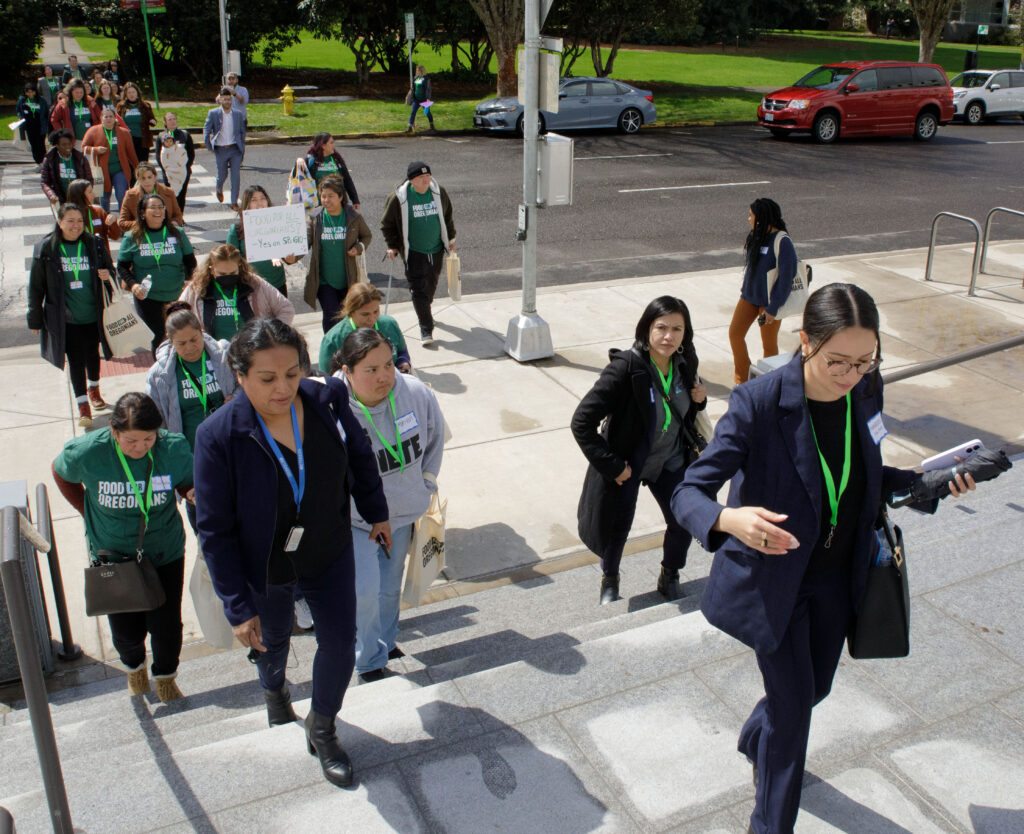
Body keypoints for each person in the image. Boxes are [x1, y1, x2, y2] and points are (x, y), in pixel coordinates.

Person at [672, 282, 1009, 834]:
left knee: (815, 690)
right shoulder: (758, 404)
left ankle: (755, 736)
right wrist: (731, 520)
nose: (850, 375)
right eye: (838, 361)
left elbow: (871, 479)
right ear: (805, 341)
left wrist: (936, 482)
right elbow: (689, 490)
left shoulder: (866, 391)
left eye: (864, 361)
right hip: (774, 584)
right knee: (795, 711)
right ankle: (769, 822)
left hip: (836, 579)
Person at [193, 318, 389, 788]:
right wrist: (237, 607)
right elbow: (214, 530)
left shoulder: (327, 399)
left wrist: (375, 509)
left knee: (340, 642)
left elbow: (359, 453)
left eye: (292, 374)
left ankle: (322, 726)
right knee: (271, 640)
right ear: (239, 376)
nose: (284, 388)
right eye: (267, 379)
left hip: (327, 547)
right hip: (265, 564)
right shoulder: (218, 435)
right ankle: (274, 690)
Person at [52, 392, 194, 702]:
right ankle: (134, 668)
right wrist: (85, 510)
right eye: (130, 441)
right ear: (113, 432)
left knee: (167, 624)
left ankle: (166, 677)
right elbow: (60, 473)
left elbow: (184, 479)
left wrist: (190, 490)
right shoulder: (88, 452)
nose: (140, 448)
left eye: (148, 439)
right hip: (113, 555)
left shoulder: (174, 448)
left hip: (163, 550)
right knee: (126, 631)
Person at [571, 296, 707, 605]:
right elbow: (581, 422)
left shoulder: (686, 361)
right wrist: (613, 465)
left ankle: (670, 573)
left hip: (670, 458)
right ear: (646, 329)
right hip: (629, 461)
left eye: (677, 329)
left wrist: (700, 398)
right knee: (618, 526)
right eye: (661, 327)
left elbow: (686, 409)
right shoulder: (625, 368)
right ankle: (610, 578)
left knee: (682, 518)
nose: (668, 336)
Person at [332, 328, 443, 681]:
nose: (383, 376)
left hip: (402, 514)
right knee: (364, 590)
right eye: (371, 370)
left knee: (389, 587)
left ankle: (386, 640)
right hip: (356, 520)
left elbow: (437, 436)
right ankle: (368, 661)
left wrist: (425, 482)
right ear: (347, 371)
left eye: (388, 366)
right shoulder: (330, 411)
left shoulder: (414, 393)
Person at [145, 302, 236, 531]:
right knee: (203, 520)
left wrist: (236, 396)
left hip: (229, 446)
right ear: (170, 340)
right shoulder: (160, 374)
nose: (190, 347)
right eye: (181, 343)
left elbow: (247, 385)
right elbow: (157, 420)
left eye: (194, 339)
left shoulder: (224, 356)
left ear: (201, 331)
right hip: (192, 455)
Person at [27, 203, 114, 427]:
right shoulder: (47, 248)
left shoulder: (93, 244)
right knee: (76, 359)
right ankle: (82, 403)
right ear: (59, 222)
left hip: (94, 313)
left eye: (79, 221)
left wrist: (107, 275)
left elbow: (110, 271)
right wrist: (35, 317)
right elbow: (36, 287)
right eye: (70, 221)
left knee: (93, 354)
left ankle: (94, 388)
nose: (75, 226)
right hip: (67, 318)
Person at [381, 161, 456, 345]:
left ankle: (425, 311)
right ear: (412, 180)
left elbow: (447, 215)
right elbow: (387, 224)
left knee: (430, 284)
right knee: (418, 289)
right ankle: (426, 328)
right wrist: (392, 245)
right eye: (422, 178)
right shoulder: (399, 198)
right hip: (414, 251)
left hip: (437, 248)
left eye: (428, 177)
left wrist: (451, 238)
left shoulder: (439, 192)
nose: (426, 181)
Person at [117, 193, 196, 353]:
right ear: (142, 213)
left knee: (180, 336)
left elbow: (190, 261)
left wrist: (189, 280)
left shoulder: (177, 233)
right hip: (148, 299)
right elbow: (122, 267)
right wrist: (133, 286)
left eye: (161, 207)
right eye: (153, 207)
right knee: (158, 339)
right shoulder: (133, 237)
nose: (158, 211)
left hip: (176, 297)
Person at [729, 197, 796, 385]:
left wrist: (773, 308)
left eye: (751, 215)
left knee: (769, 345)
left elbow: (786, 279)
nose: (748, 219)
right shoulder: (757, 236)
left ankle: (768, 382)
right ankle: (742, 378)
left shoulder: (783, 242)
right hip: (749, 298)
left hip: (768, 304)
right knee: (735, 334)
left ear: (762, 217)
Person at [178, 243, 295, 341]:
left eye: (233, 273)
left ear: (239, 267)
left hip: (250, 353)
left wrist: (272, 335)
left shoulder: (254, 283)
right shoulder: (197, 287)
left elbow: (286, 308)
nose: (228, 277)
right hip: (214, 354)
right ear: (211, 269)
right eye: (222, 274)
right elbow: (177, 314)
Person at [304, 176, 372, 333]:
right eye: (323, 196)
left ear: (341, 197)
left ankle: (345, 347)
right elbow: (305, 242)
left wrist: (359, 247)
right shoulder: (315, 218)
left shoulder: (353, 217)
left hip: (348, 280)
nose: (326, 200)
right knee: (331, 315)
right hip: (324, 280)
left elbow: (367, 236)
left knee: (346, 315)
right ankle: (332, 347)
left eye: (331, 196)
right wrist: (290, 256)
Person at [319, 284, 411, 374]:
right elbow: (326, 379)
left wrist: (403, 362)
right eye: (365, 314)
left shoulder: (389, 324)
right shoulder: (333, 340)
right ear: (351, 312)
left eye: (376, 311)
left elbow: (402, 351)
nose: (372, 319)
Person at [227, 185, 297, 296]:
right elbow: (230, 262)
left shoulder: (279, 225)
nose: (260, 203)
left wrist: (290, 259)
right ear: (246, 205)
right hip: (250, 287)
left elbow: (287, 256)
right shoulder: (236, 230)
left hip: (277, 285)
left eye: (262, 199)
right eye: (254, 200)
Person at [82, 107, 137, 213]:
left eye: (111, 116)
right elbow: (84, 147)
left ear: (115, 118)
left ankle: (123, 221)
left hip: (119, 169)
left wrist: (137, 167)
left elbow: (131, 152)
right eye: (105, 116)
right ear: (101, 118)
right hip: (101, 171)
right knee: (104, 197)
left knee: (122, 195)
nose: (108, 119)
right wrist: (96, 149)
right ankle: (105, 220)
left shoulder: (124, 132)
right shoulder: (93, 131)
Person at [203, 87, 246, 211]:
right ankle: (219, 187)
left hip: (235, 149)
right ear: (220, 100)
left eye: (229, 99)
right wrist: (208, 145)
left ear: (231, 100)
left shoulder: (237, 114)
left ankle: (234, 201)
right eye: (224, 99)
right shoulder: (213, 113)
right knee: (222, 174)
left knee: (235, 176)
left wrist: (242, 146)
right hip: (220, 149)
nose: (227, 102)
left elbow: (242, 131)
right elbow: (206, 129)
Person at [118, 161, 184, 231]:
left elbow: (178, 216)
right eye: (143, 178)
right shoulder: (130, 195)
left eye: (149, 177)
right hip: (142, 235)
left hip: (164, 233)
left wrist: (173, 223)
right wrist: (144, 224)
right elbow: (122, 223)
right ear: (138, 179)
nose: (147, 181)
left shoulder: (168, 192)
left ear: (155, 176)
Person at [66, 178, 121, 257]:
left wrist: (113, 222)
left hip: (100, 260)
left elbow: (115, 236)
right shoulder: (67, 216)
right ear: (80, 195)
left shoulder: (98, 212)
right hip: (79, 261)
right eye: (90, 192)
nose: (94, 195)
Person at [304, 133, 359, 207]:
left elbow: (347, 180)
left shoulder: (337, 160)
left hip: (338, 205)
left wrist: (355, 200)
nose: (334, 145)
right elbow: (299, 179)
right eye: (331, 143)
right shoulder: (311, 161)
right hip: (318, 206)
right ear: (323, 145)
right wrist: (298, 161)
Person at [41, 129, 92, 207]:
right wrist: (51, 195)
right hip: (60, 197)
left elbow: (89, 178)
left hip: (79, 197)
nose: (68, 147)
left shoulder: (80, 158)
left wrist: (86, 193)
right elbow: (44, 182)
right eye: (64, 145)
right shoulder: (49, 159)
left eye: (69, 144)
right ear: (57, 146)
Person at [157, 112, 196, 211]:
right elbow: (158, 156)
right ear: (165, 122)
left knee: (181, 195)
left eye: (174, 119)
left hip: (182, 172)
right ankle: (171, 217)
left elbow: (191, 154)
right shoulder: (161, 136)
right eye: (169, 119)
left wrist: (185, 167)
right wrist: (165, 169)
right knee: (170, 196)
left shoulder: (184, 135)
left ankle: (179, 217)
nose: (172, 121)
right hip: (169, 173)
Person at [116, 83, 157, 166]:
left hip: (142, 139)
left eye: (133, 92)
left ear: (137, 93)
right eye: (129, 93)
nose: (132, 95)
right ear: (125, 94)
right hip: (128, 139)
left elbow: (152, 118)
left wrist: (152, 121)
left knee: (142, 164)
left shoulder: (145, 105)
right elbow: (118, 120)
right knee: (130, 163)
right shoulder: (121, 106)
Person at [49, 80, 100, 146]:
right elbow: (54, 119)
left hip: (91, 139)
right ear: (71, 92)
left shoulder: (90, 101)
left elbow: (100, 116)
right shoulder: (63, 104)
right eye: (76, 92)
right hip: (74, 141)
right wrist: (62, 133)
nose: (79, 95)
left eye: (81, 92)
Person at [16, 82, 49, 166]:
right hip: (29, 125)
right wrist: (21, 118)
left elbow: (46, 112)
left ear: (35, 91)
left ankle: (43, 161)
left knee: (40, 144)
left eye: (32, 91)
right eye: (28, 92)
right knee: (33, 144)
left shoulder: (41, 100)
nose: (30, 94)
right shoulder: (22, 100)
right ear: (25, 92)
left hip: (40, 125)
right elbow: (19, 111)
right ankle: (38, 162)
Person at [407, 65, 434, 133]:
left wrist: (428, 98)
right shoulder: (415, 78)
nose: (417, 72)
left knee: (427, 112)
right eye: (417, 70)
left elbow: (428, 89)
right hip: (416, 99)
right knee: (413, 112)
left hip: (424, 99)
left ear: (422, 71)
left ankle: (431, 124)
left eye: (418, 70)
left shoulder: (426, 79)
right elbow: (413, 88)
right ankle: (410, 127)